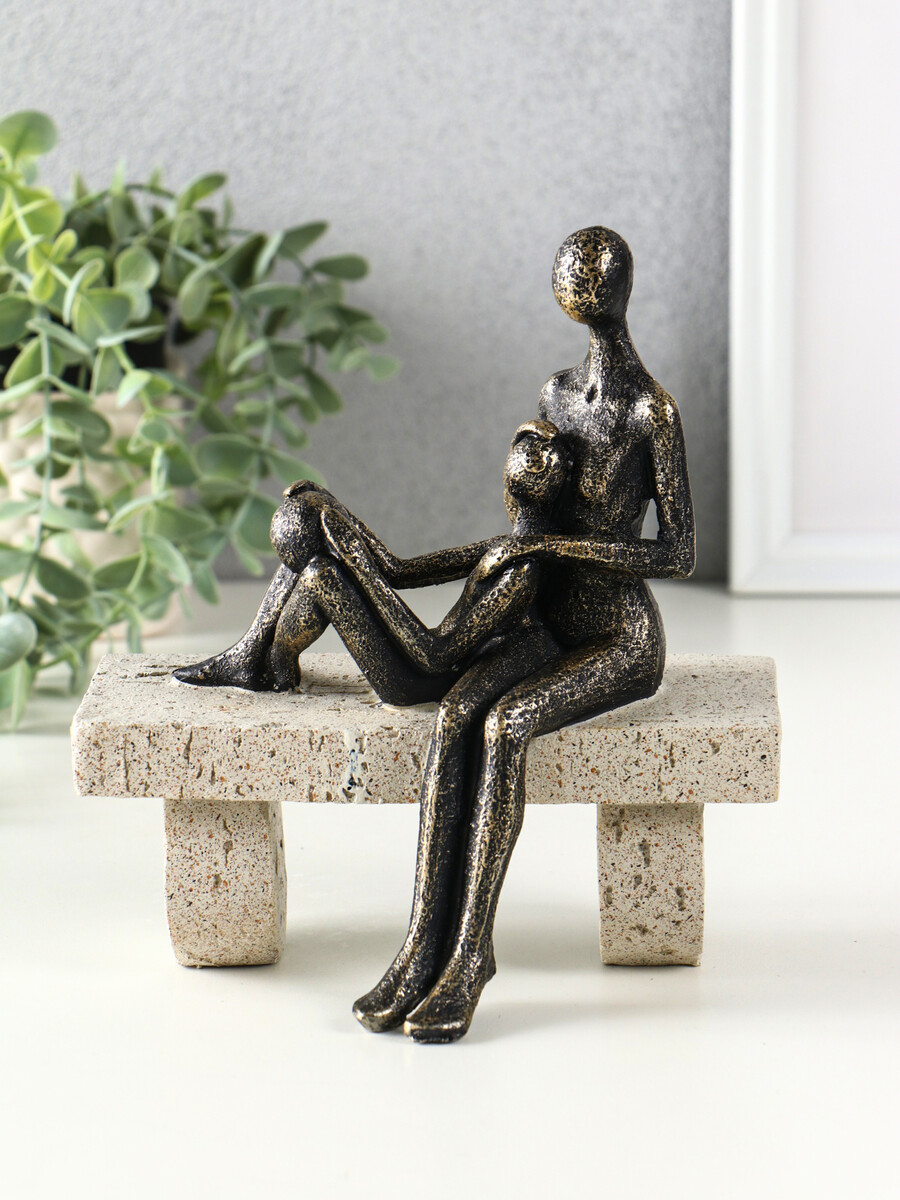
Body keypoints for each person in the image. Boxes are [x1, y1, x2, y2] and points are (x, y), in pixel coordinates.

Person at [177, 226, 695, 1043]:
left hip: (617, 639)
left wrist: (550, 550)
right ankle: (422, 947)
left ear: (617, 288)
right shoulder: (558, 394)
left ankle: (471, 956)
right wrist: (494, 554)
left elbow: (677, 551)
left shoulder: (650, 412)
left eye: (594, 275)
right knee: (456, 716)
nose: (582, 285)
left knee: (507, 725)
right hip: (542, 618)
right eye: (572, 273)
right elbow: (529, 507)